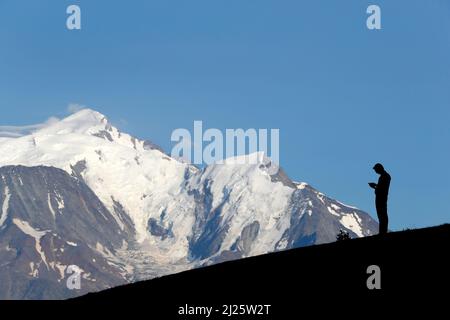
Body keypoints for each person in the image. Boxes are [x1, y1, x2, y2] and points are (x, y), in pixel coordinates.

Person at [369, 163, 391, 234]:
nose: (375, 171)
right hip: (380, 197)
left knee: (382, 215)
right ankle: (382, 231)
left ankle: (383, 231)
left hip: (381, 198)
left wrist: (375, 186)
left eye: (376, 170)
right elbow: (381, 187)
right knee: (381, 215)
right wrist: (376, 185)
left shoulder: (385, 176)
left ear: (379, 169)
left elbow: (383, 188)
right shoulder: (384, 176)